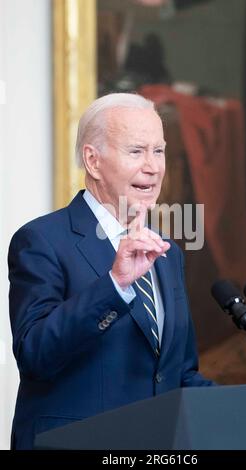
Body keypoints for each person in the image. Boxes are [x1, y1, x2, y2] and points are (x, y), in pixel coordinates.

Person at [8, 93, 214, 450]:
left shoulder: (167, 253)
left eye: (159, 151)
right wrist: (115, 284)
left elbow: (178, 373)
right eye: (136, 151)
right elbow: (35, 353)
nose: (152, 167)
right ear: (93, 160)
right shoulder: (41, 240)